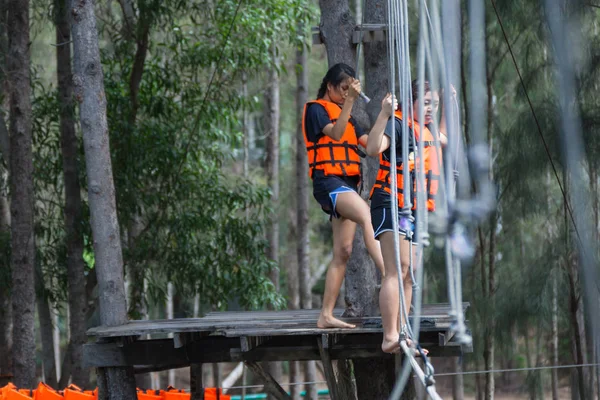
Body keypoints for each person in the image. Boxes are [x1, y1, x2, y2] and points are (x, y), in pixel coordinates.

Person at [302, 63, 394, 329]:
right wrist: (350, 102)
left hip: (346, 184)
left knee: (343, 251)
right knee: (367, 215)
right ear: (329, 86)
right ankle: (390, 274)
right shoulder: (316, 110)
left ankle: (326, 315)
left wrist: (385, 116)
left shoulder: (349, 116)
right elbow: (337, 133)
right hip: (328, 182)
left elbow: (371, 146)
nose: (346, 94)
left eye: (349, 89)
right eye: (342, 89)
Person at [367, 80, 448, 354]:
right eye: (425, 103)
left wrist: (451, 104)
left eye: (434, 105)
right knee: (397, 268)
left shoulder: (426, 130)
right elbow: (373, 148)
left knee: (410, 272)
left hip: (411, 209)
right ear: (410, 102)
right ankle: (390, 336)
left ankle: (403, 333)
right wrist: (384, 114)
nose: (430, 109)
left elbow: (447, 138)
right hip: (391, 202)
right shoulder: (398, 125)